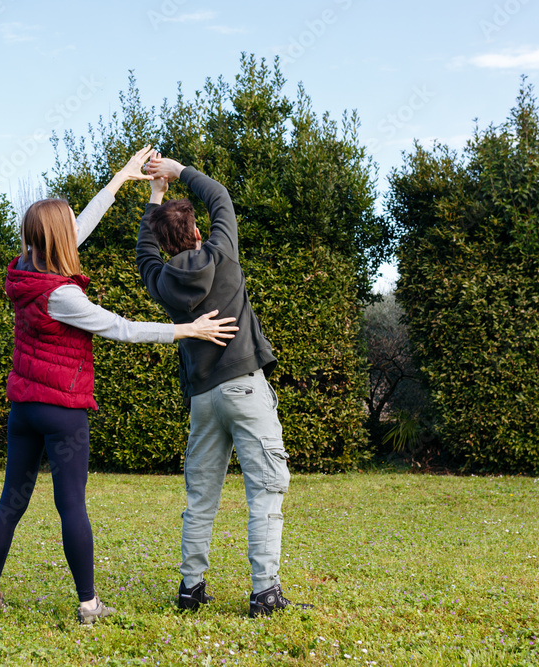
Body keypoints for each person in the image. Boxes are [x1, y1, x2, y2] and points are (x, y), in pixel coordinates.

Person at [0, 146, 238, 625]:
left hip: (23, 407)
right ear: (58, 237)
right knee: (70, 504)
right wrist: (187, 330)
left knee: (11, 500)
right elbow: (122, 327)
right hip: (61, 410)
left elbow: (79, 228)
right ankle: (88, 604)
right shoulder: (65, 295)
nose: (76, 226)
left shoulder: (24, 270)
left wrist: (121, 179)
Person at [136, 154, 313, 617]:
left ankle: (191, 588)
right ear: (198, 233)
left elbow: (144, 256)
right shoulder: (222, 254)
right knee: (266, 490)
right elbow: (220, 197)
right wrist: (177, 172)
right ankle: (264, 592)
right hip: (245, 389)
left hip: (203, 399)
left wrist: (153, 196)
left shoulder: (162, 281)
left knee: (201, 497)